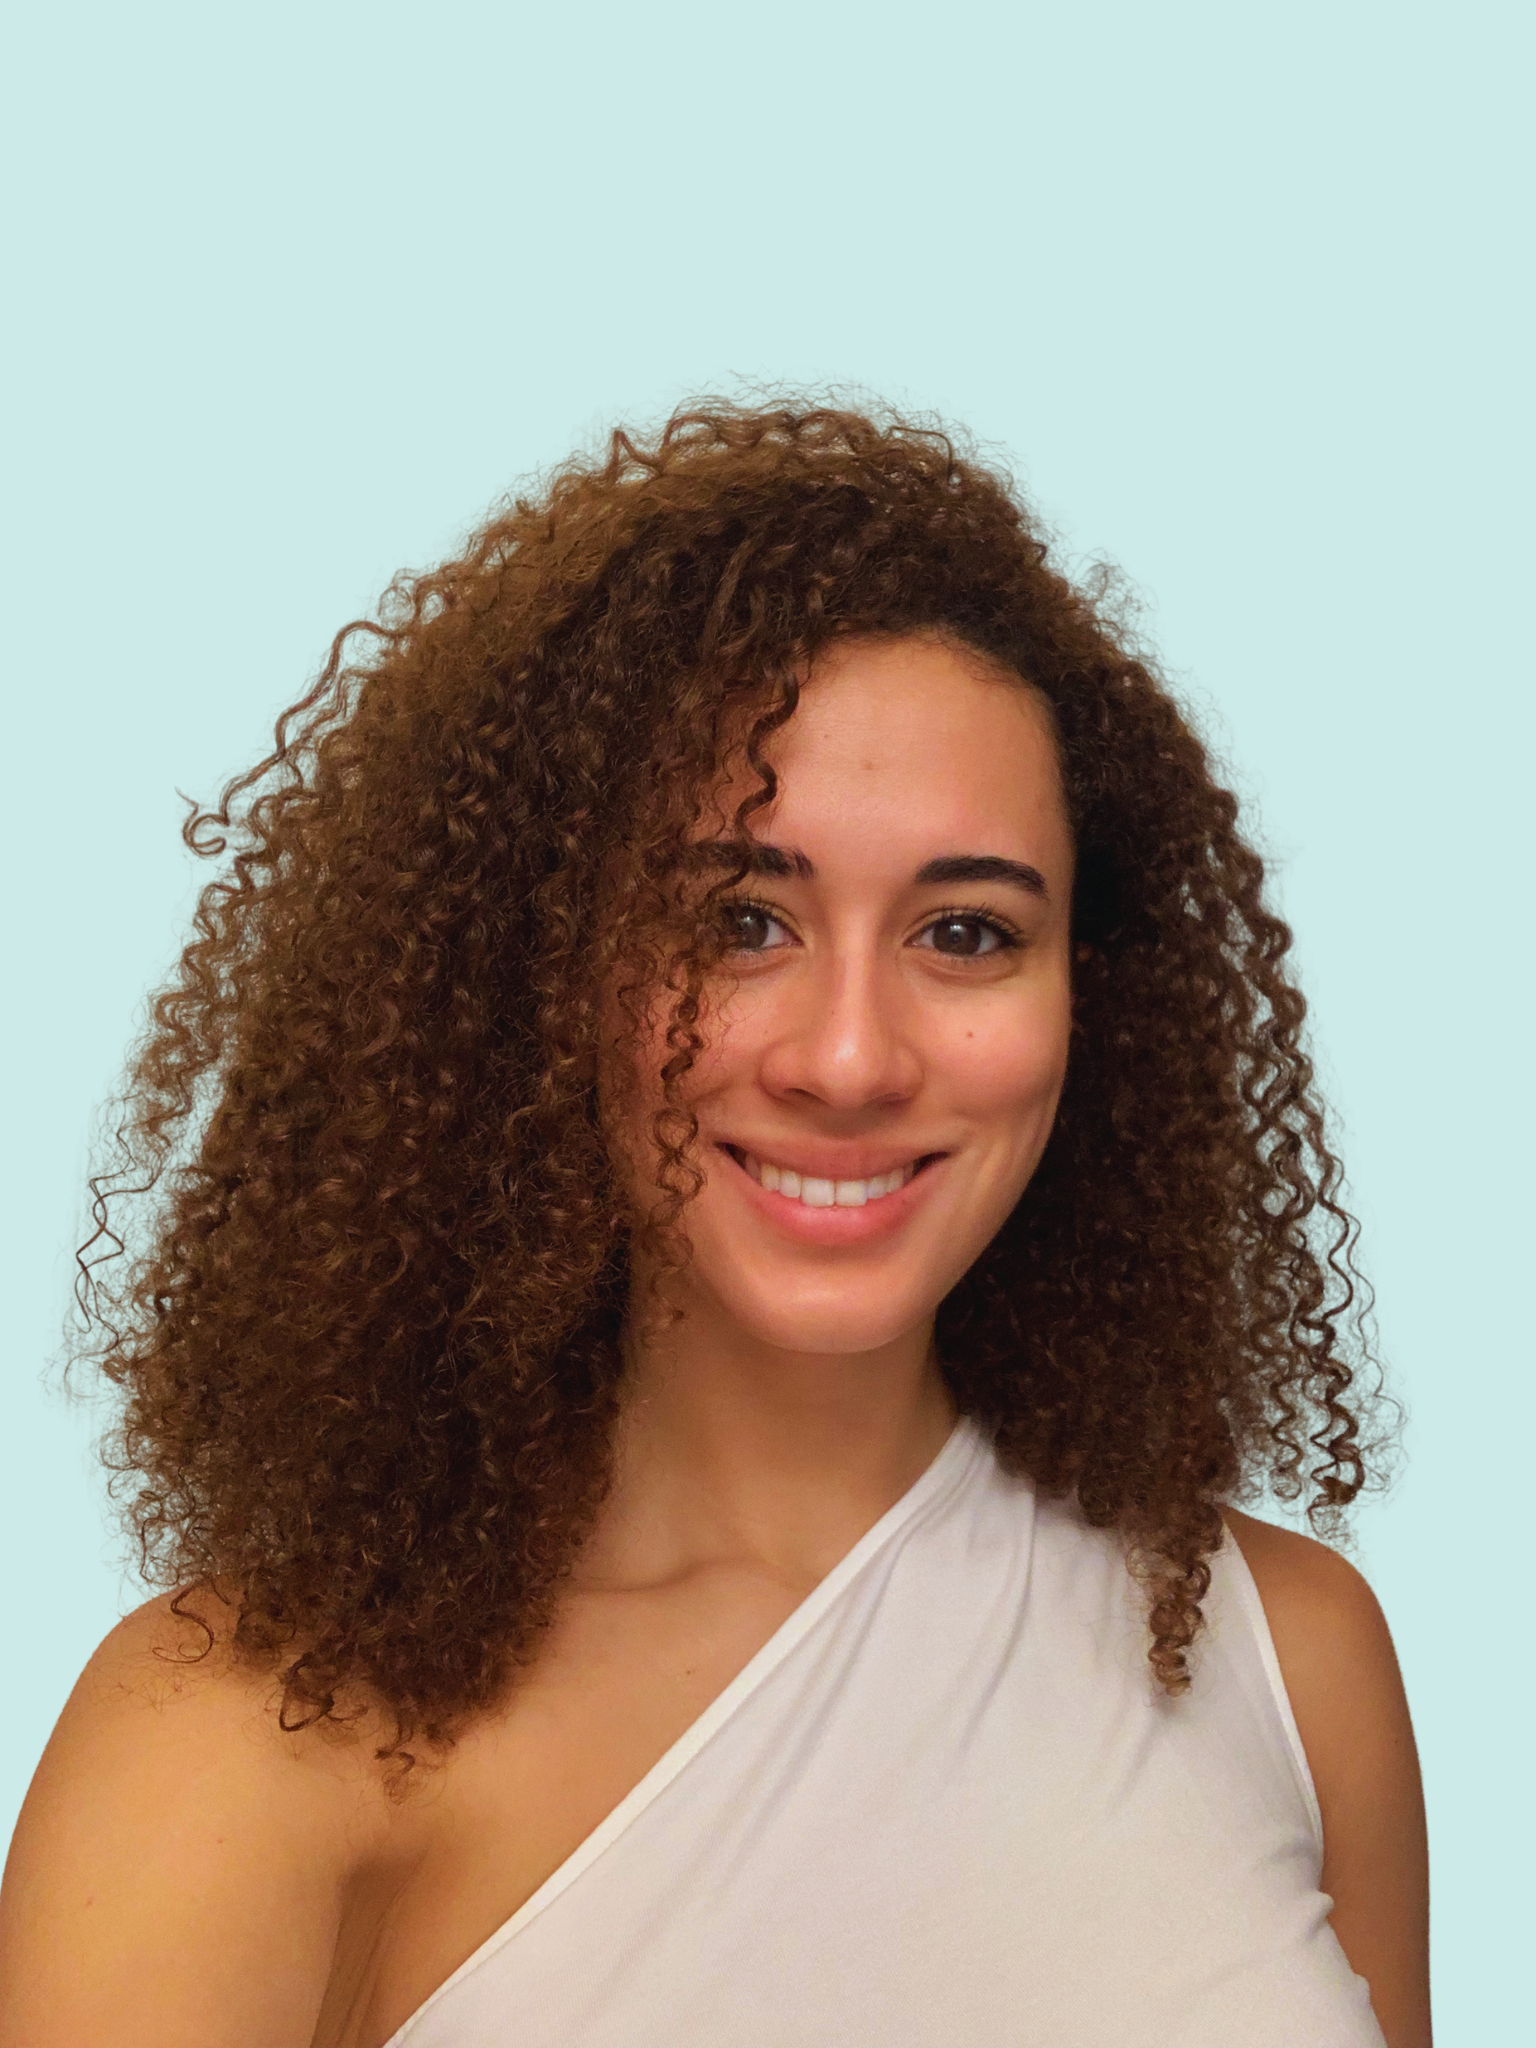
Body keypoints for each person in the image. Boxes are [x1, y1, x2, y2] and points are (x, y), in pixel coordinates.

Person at [0, 403, 1429, 2048]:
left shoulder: (1292, 1665)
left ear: (1088, 1007)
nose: (848, 1057)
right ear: (536, 969)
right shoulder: (254, 1741)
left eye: (965, 932)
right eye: (739, 920)